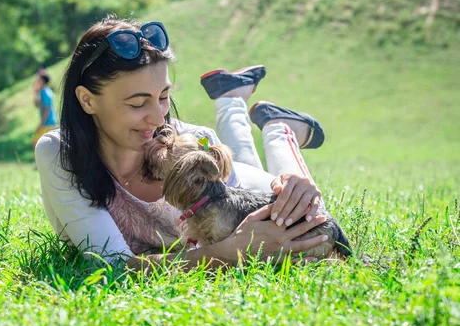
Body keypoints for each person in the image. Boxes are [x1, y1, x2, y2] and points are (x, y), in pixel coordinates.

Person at [35, 17, 330, 270]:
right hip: (221, 176)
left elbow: (247, 219)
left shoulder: (194, 144)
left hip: (246, 185)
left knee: (306, 204)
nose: (157, 118)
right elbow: (115, 266)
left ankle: (278, 129)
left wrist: (296, 185)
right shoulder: (60, 153)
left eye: (163, 97)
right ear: (87, 100)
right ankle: (233, 100)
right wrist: (228, 253)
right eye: (138, 103)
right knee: (244, 159)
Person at [32, 69, 58, 147]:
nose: (35, 80)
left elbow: (47, 109)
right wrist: (35, 92)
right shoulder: (43, 91)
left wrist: (41, 124)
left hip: (48, 123)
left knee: (36, 144)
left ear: (42, 80)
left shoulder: (45, 92)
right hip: (48, 122)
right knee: (39, 144)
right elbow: (37, 105)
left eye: (38, 78)